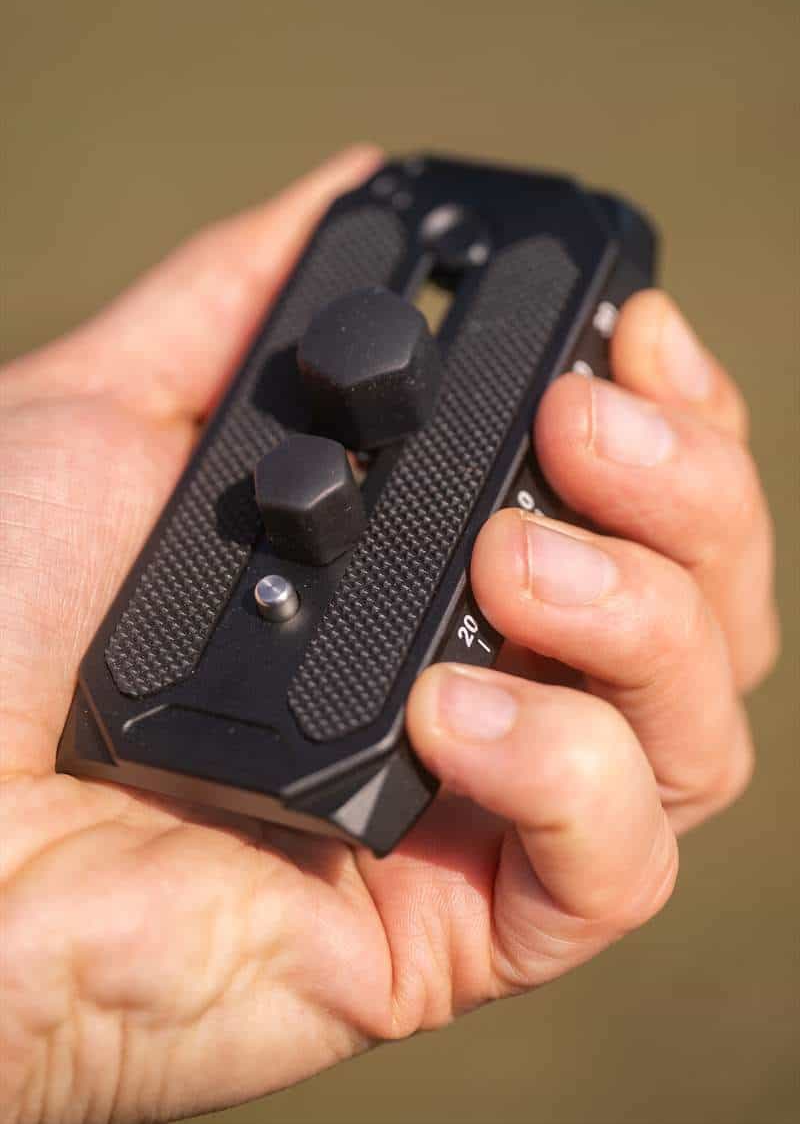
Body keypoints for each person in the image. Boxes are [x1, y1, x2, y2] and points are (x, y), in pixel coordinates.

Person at [0, 146, 778, 1124]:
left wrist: (49, 1006)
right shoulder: (392, 233)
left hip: (243, 725)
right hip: (180, 716)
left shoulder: (417, 229)